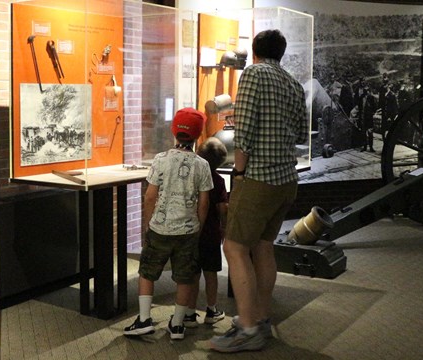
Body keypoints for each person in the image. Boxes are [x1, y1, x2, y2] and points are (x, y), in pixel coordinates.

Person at [209, 29, 308, 353]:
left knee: (235, 248)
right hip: (286, 180)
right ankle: (260, 318)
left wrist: (238, 173)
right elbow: (300, 130)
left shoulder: (253, 73)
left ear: (255, 52)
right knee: (264, 248)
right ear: (281, 52)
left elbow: (245, 130)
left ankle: (248, 329)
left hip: (258, 179)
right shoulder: (292, 82)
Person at [124, 108, 213, 340]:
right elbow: (204, 203)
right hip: (188, 231)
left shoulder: (160, 160)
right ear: (198, 135)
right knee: (185, 276)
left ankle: (144, 319)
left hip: (159, 229)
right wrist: (199, 227)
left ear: (174, 131)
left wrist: (147, 223)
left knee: (147, 272)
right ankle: (177, 324)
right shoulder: (202, 165)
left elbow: (150, 196)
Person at [184, 137, 229, 328]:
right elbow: (223, 208)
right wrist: (224, 227)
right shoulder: (217, 180)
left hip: (193, 233)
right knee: (211, 274)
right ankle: (211, 310)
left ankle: (189, 313)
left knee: (193, 274)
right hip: (211, 235)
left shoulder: (190, 177)